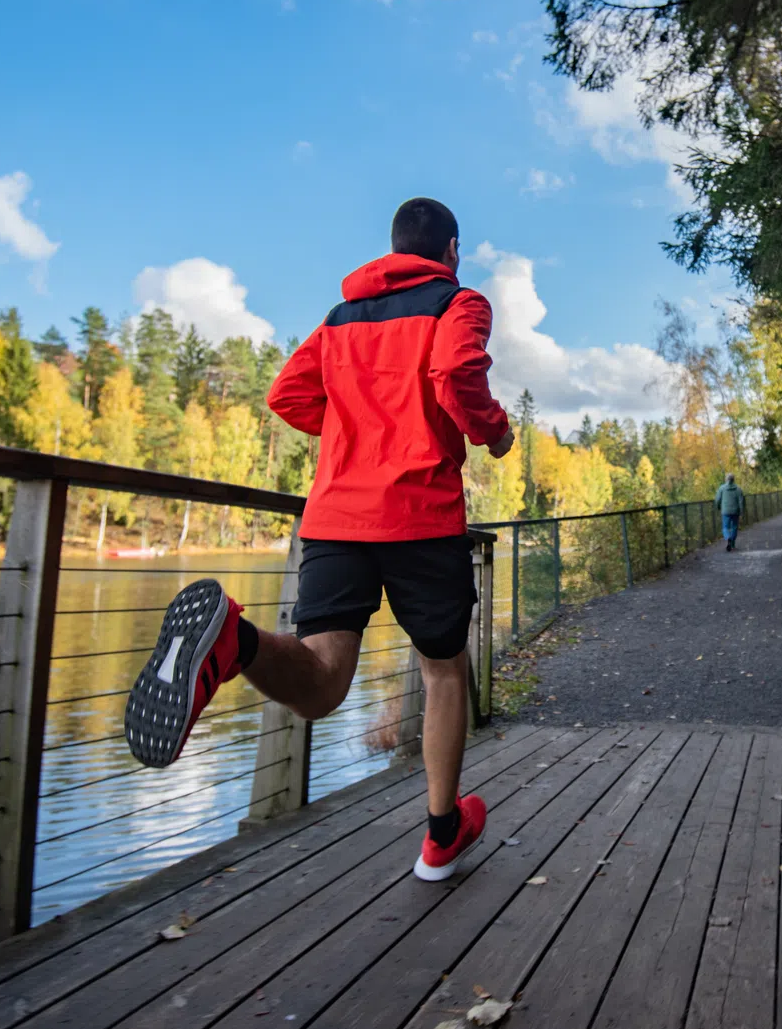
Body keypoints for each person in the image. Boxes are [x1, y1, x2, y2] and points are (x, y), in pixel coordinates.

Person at [122, 197, 514, 882]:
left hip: (336, 516)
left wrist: (355, 429)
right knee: (442, 667)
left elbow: (287, 395)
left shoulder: (340, 318)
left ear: (394, 248)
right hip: (420, 515)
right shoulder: (460, 302)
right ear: (451, 250)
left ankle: (234, 640)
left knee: (323, 682)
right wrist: (495, 431)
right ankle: (441, 834)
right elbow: (455, 374)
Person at [715, 472, 745, 551]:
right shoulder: (738, 489)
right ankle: (732, 544)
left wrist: (718, 507)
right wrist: (742, 512)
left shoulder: (721, 488)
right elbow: (741, 502)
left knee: (725, 527)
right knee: (734, 527)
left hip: (725, 511)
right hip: (735, 511)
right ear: (733, 479)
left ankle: (728, 538)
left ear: (726, 479)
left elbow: (717, 500)